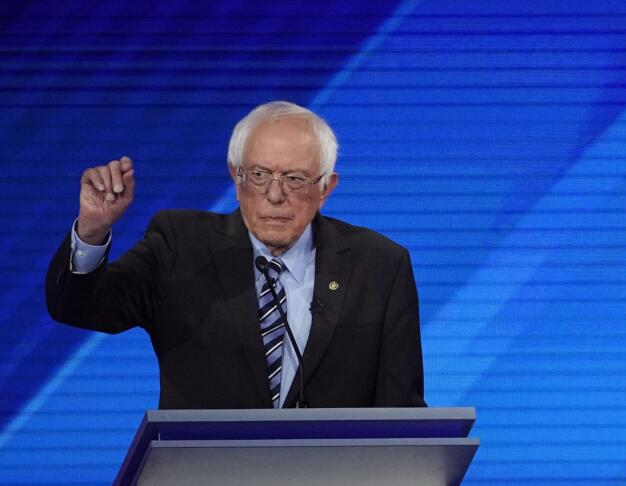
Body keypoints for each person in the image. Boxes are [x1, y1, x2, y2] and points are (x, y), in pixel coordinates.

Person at [46, 101, 425, 409]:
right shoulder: (181, 246)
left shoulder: (379, 267)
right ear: (236, 177)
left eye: (294, 179)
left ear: (326, 188)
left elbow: (402, 415)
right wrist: (92, 230)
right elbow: (79, 307)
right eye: (259, 175)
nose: (275, 195)